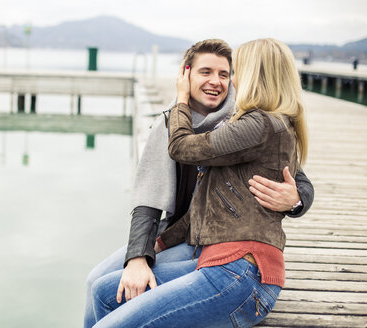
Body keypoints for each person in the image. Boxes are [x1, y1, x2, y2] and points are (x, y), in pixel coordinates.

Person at [84, 39, 314, 327]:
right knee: (100, 285)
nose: (216, 82)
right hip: (189, 236)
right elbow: (148, 202)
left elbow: (295, 174)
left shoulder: (247, 124)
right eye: (205, 72)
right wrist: (140, 255)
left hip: (233, 258)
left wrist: (295, 199)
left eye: (226, 73)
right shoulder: (171, 123)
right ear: (186, 75)